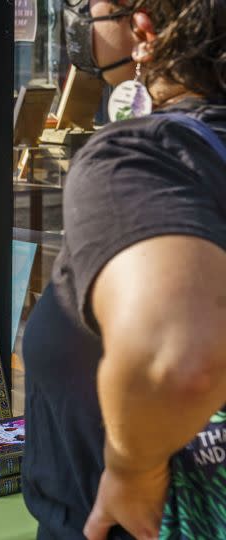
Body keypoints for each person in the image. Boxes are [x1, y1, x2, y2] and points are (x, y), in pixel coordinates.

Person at [22, 0, 226, 538]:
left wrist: (133, 472)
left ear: (143, 30)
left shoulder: (144, 157)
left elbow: (177, 363)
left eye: (95, 9)